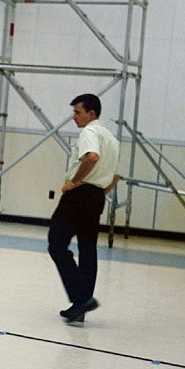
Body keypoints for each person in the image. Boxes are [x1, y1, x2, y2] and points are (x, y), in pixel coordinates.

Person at [48, 93, 120, 323]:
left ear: (91, 113)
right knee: (88, 249)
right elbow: (115, 176)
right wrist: (98, 193)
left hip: (79, 195)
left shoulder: (90, 132)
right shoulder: (112, 139)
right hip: (96, 196)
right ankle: (81, 305)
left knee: (57, 244)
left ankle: (81, 298)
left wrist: (75, 182)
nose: (74, 117)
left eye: (77, 112)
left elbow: (92, 157)